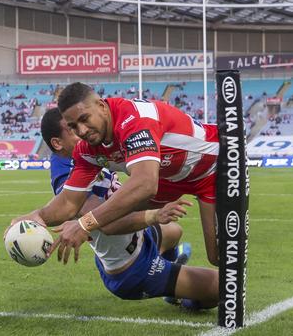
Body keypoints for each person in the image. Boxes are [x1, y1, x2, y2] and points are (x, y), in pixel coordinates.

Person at [19, 83, 220, 267]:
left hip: (214, 167)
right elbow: (69, 203)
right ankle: (168, 269)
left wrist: (84, 224)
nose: (81, 131)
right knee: (111, 218)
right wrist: (37, 217)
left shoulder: (134, 119)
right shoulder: (87, 149)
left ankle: (170, 273)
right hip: (171, 179)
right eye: (72, 126)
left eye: (84, 119)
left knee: (220, 256)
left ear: (101, 106)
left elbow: (145, 184)